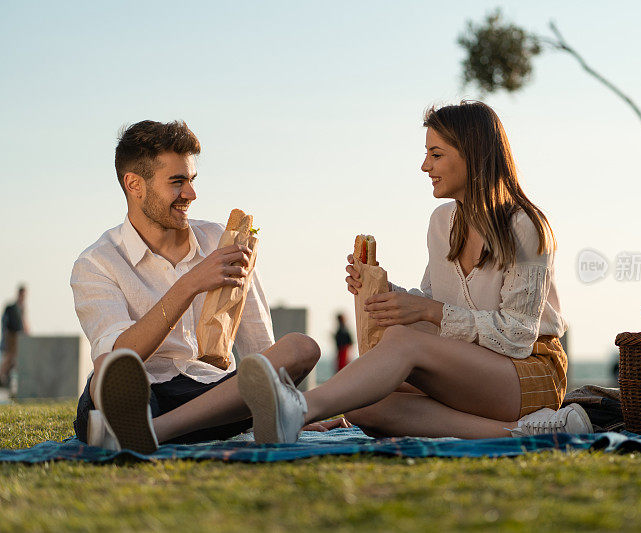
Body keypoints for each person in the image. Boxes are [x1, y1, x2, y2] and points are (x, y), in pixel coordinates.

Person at [235, 101, 592, 443]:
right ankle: (523, 431)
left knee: (401, 341)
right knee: (364, 404)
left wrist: (424, 311)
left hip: (529, 374)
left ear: (475, 156)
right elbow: (436, 303)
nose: (425, 166)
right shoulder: (442, 223)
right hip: (469, 374)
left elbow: (516, 337)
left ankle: (299, 409)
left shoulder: (525, 227)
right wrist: (382, 288)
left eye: (436, 155)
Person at [70, 120, 339, 454]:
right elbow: (118, 356)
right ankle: (131, 422)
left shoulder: (219, 241)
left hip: (212, 397)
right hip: (142, 393)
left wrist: (283, 397)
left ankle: (143, 433)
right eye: (177, 182)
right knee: (108, 376)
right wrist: (190, 284)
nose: (191, 194)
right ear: (134, 185)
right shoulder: (96, 263)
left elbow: (259, 348)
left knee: (301, 348)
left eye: (192, 180)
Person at [0, 285, 28, 387]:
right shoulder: (11, 307)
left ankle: (14, 385)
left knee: (14, 361)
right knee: (9, 359)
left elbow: (24, 322)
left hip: (18, 338)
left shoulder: (22, 307)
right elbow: (5, 324)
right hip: (11, 337)